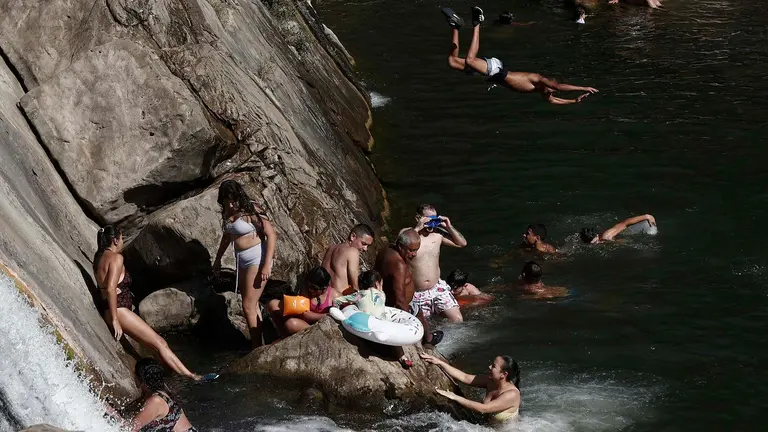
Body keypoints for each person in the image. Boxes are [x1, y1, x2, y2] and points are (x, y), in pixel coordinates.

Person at [94, 226, 204, 381]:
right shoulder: (116, 258)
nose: (123, 242)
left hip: (113, 309)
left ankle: (169, 377)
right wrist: (114, 319)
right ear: (115, 240)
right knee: (160, 343)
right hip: (119, 311)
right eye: (122, 238)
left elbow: (104, 289)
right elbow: (111, 288)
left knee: (154, 347)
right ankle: (191, 376)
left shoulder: (99, 257)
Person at [443, 6, 598, 104]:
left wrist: (573, 101)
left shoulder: (542, 91)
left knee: (452, 61)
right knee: (470, 60)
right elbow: (558, 87)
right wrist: (582, 87)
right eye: (553, 88)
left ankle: (455, 26)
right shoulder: (539, 79)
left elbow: (553, 101)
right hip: (498, 71)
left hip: (493, 77)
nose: (552, 91)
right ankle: (477, 23)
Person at [213, 180, 278, 347]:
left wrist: (266, 264)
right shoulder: (227, 212)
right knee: (252, 303)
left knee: (247, 305)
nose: (232, 204)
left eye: (234, 199)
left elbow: (271, 234)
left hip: (257, 257)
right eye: (228, 200)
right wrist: (218, 259)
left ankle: (255, 348)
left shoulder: (251, 209)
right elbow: (227, 236)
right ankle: (261, 344)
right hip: (241, 260)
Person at [375, 229, 443, 346]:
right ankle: (428, 340)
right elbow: (400, 299)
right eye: (411, 250)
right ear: (401, 246)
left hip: (383, 297)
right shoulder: (399, 265)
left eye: (416, 250)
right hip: (395, 305)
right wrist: (408, 320)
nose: (414, 254)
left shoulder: (386, 250)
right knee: (417, 311)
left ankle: (427, 337)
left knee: (418, 311)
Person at [402, 204, 467, 323]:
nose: (432, 224)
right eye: (429, 220)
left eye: (435, 219)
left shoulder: (438, 234)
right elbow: (398, 248)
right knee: (424, 326)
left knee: (457, 320)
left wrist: (449, 226)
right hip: (416, 292)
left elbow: (462, 243)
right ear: (419, 218)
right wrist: (417, 228)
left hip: (437, 288)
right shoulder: (408, 233)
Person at [420, 353, 521, 423]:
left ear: (504, 374)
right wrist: (439, 362)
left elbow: (484, 409)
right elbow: (465, 377)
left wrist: (455, 397)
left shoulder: (512, 394)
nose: (489, 367)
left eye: (494, 366)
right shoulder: (491, 381)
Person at [130, 358, 197, 432]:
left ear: (140, 378)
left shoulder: (156, 401)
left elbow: (129, 429)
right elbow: (124, 415)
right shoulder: (157, 394)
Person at [266, 266, 333, 337]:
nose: (310, 290)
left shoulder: (334, 296)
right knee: (273, 304)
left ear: (324, 288)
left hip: (318, 327)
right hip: (306, 320)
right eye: (309, 286)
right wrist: (326, 315)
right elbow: (304, 314)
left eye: (314, 288)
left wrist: (327, 316)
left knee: (291, 324)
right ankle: (282, 336)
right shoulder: (306, 288)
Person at [322, 224, 375, 296]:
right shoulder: (353, 252)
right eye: (363, 243)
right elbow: (354, 287)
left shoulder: (331, 248)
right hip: (338, 300)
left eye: (367, 246)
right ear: (353, 236)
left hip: (322, 298)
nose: (365, 249)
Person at [579, 214, 657, 244]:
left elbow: (625, 223)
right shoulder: (604, 234)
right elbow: (624, 223)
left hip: (646, 226)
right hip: (645, 223)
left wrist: (647, 217)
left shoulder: (606, 237)